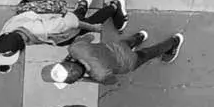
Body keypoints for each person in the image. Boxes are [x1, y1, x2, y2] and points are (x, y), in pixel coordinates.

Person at [0, 0, 126, 71]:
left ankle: (114, 6)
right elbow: (6, 47)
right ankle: (83, 4)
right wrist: (4, 65)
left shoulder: (44, 29)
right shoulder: (8, 32)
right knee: (76, 18)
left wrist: (93, 28)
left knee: (88, 22)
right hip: (52, 21)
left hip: (64, 27)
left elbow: (71, 23)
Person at [42, 28, 184, 87]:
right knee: (126, 43)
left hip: (128, 62)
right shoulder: (75, 49)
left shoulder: (99, 75)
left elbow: (112, 81)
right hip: (114, 46)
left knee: (149, 53)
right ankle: (140, 36)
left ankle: (174, 42)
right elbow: (89, 37)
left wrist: (85, 79)